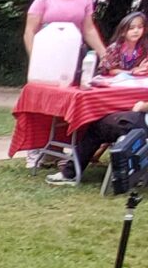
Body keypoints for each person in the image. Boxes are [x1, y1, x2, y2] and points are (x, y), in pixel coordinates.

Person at [51, 12, 148, 182]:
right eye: (132, 28)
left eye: (140, 27)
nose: (136, 31)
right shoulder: (117, 48)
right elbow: (108, 68)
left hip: (142, 121)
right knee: (105, 121)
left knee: (98, 126)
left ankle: (70, 172)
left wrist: (142, 106)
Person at [22, 0, 108, 82]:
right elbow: (29, 32)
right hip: (48, 55)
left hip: (76, 55)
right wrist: (35, 60)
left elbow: (89, 30)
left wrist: (104, 54)